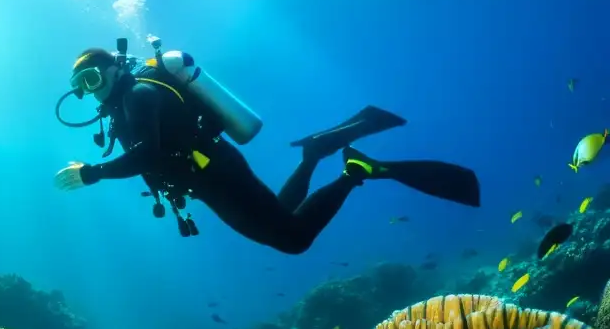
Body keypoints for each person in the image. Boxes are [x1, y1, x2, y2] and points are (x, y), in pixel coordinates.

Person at [53, 46, 480, 253]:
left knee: (293, 240)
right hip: (212, 174)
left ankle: (354, 171)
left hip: (217, 175)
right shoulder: (126, 105)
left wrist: (93, 173)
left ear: (114, 67)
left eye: (93, 78)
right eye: (82, 87)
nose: (92, 91)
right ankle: (315, 151)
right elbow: (154, 152)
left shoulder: (140, 96)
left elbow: (147, 154)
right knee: (280, 215)